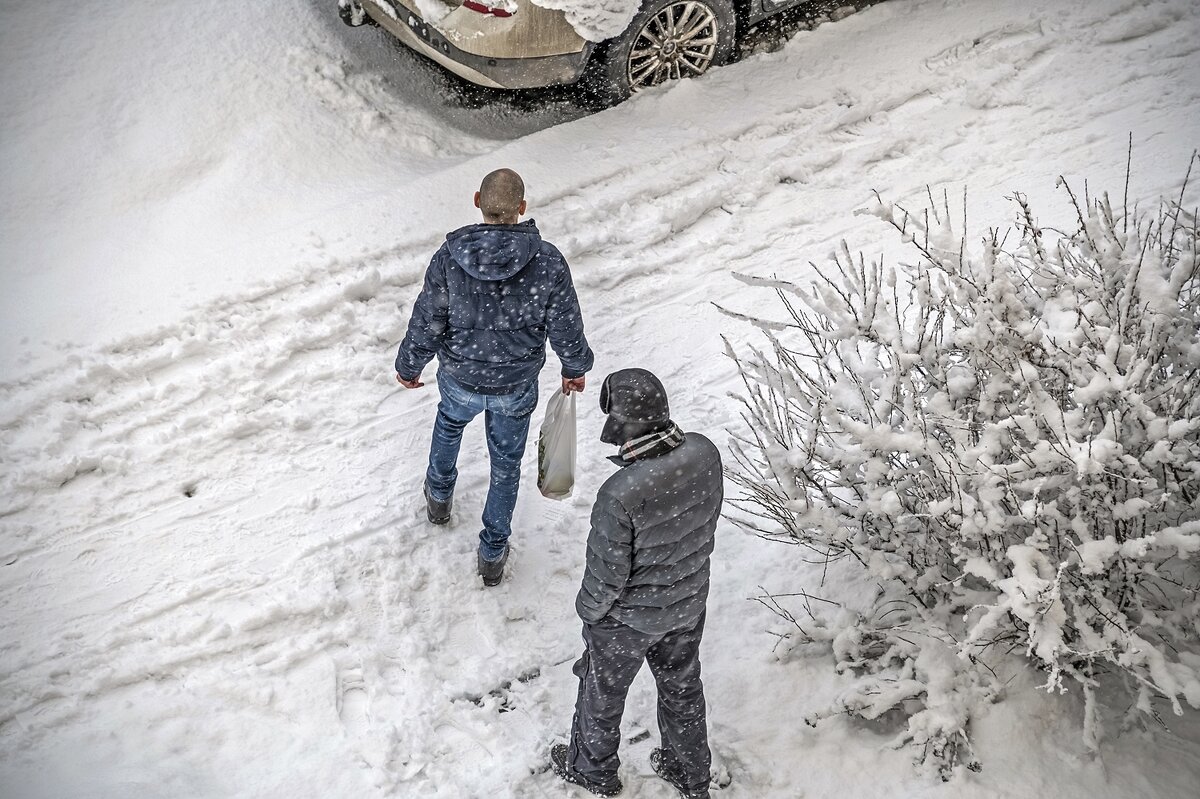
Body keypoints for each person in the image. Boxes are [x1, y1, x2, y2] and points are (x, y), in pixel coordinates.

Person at [395, 168, 593, 587]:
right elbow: (565, 324)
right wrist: (573, 367)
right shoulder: (548, 261)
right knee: (506, 465)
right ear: (522, 208)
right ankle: (492, 552)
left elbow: (429, 318)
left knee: (449, 424)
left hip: (460, 376)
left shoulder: (449, 258)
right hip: (515, 384)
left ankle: (439, 497)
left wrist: (410, 364)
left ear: (476, 201)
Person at [550, 368, 722, 798]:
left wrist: (590, 617)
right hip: (687, 604)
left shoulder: (621, 493)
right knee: (682, 689)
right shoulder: (704, 451)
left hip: (627, 621)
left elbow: (605, 580)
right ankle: (691, 775)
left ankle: (593, 771)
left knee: (602, 695)